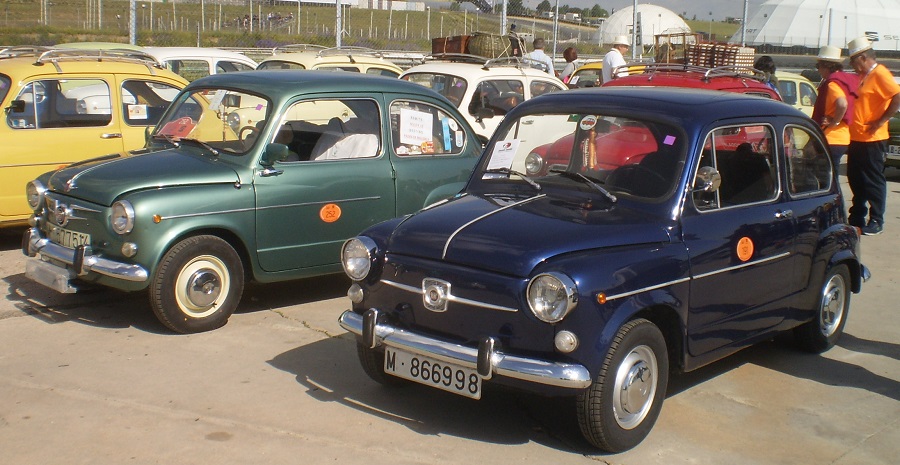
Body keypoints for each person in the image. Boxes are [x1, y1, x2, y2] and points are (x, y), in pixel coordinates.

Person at [845, 36, 900, 235]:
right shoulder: (862, 76)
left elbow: (897, 96)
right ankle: (857, 214)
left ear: (864, 57)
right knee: (855, 177)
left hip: (873, 138)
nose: (852, 65)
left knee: (873, 179)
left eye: (853, 60)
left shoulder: (880, 73)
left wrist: (880, 121)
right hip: (857, 137)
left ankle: (877, 219)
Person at [811, 45, 859, 170]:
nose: (818, 70)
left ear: (826, 66)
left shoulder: (833, 83)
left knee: (826, 179)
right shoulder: (848, 79)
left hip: (831, 138)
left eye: (818, 66)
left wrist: (834, 122)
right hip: (844, 138)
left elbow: (842, 103)